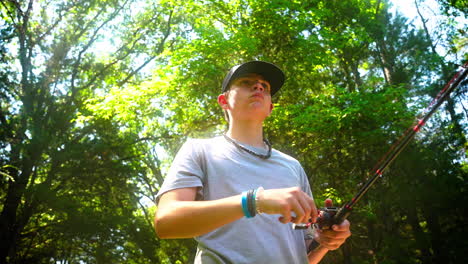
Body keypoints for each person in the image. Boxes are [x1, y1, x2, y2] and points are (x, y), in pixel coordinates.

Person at [154, 61, 351, 264]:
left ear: (270, 107)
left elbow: (303, 252)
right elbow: (166, 222)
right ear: (224, 101)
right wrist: (254, 202)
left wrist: (326, 241)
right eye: (246, 82)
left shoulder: (292, 166)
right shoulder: (199, 150)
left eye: (264, 87)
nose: (258, 86)